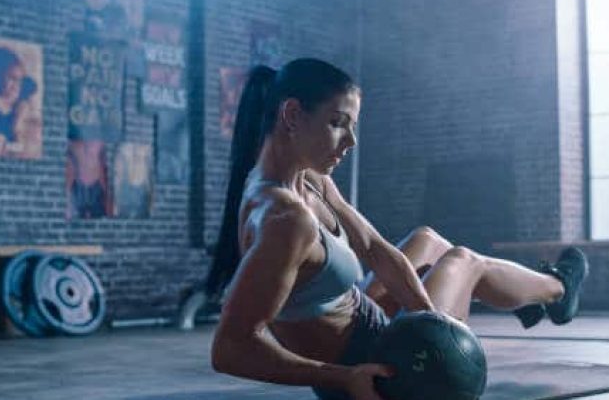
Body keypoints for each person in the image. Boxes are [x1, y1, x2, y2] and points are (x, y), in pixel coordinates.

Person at [209, 58, 589, 400]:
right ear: (292, 115)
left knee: (426, 240)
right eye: (338, 123)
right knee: (464, 262)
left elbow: (373, 246)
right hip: (386, 371)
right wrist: (346, 378)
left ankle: (526, 298)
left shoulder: (310, 179)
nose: (351, 142)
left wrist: (430, 322)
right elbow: (231, 348)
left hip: (377, 325)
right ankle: (557, 289)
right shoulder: (285, 220)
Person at [0, 46, 38, 156]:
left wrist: (17, 125)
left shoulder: (19, 108)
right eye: (11, 78)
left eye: (19, 81)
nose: (16, 86)